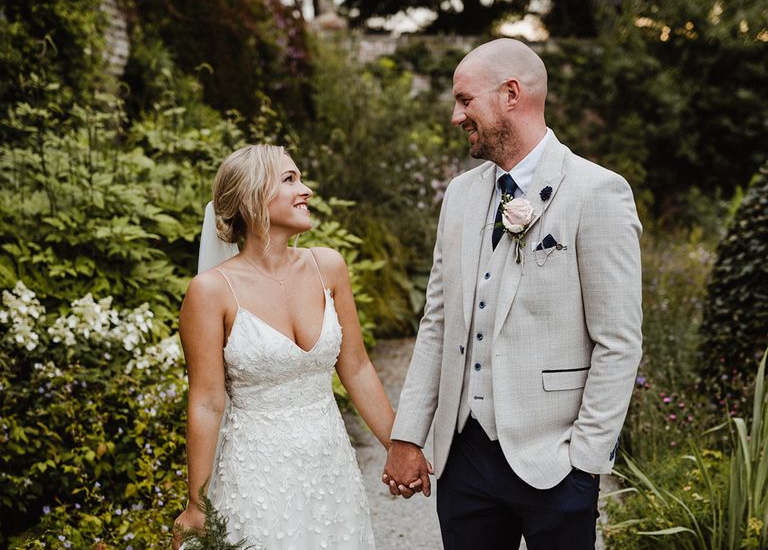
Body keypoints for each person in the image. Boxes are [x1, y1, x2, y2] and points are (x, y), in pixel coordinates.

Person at [382, 38, 643, 549]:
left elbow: (619, 342)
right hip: (464, 461)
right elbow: (437, 323)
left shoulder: (597, 192)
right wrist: (408, 434)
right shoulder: (459, 196)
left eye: (465, 100)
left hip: (555, 463)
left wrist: (585, 461)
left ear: (510, 94)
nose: (456, 116)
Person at [172, 144, 394, 549]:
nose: (306, 189)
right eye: (290, 180)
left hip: (332, 471)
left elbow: (357, 367)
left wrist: (398, 447)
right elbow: (206, 402)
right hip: (257, 480)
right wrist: (196, 504)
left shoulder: (328, 266)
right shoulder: (210, 292)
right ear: (250, 197)